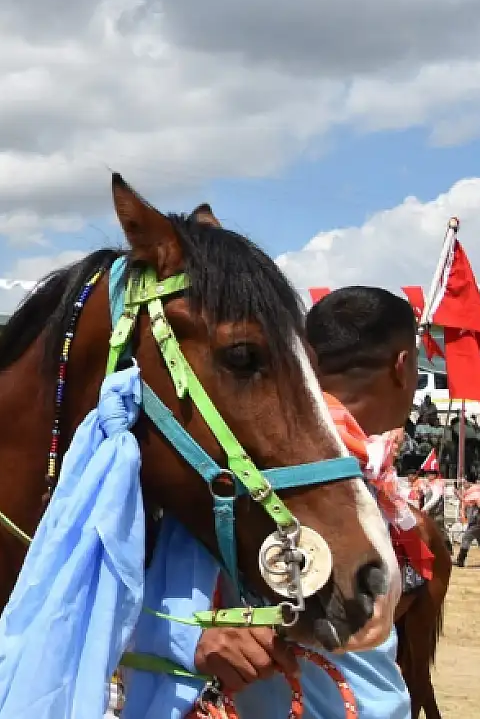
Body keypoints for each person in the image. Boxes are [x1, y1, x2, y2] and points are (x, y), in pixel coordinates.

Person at [124, 286, 425, 719]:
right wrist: (194, 637)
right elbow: (173, 567)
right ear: (404, 366)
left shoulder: (342, 462)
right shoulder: (274, 460)